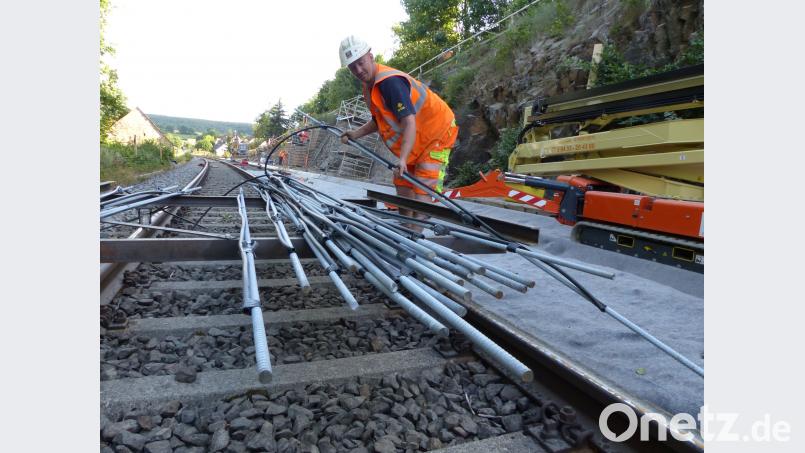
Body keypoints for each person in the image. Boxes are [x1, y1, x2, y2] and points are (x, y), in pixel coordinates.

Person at [338, 36, 458, 229]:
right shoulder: (369, 87)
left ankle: (416, 235)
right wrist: (356, 134)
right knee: (402, 182)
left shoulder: (389, 82)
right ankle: (405, 228)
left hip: (437, 132)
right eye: (353, 67)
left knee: (422, 188)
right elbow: (380, 120)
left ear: (370, 56)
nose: (358, 70)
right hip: (417, 136)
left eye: (361, 63)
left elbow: (409, 121)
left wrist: (402, 159)